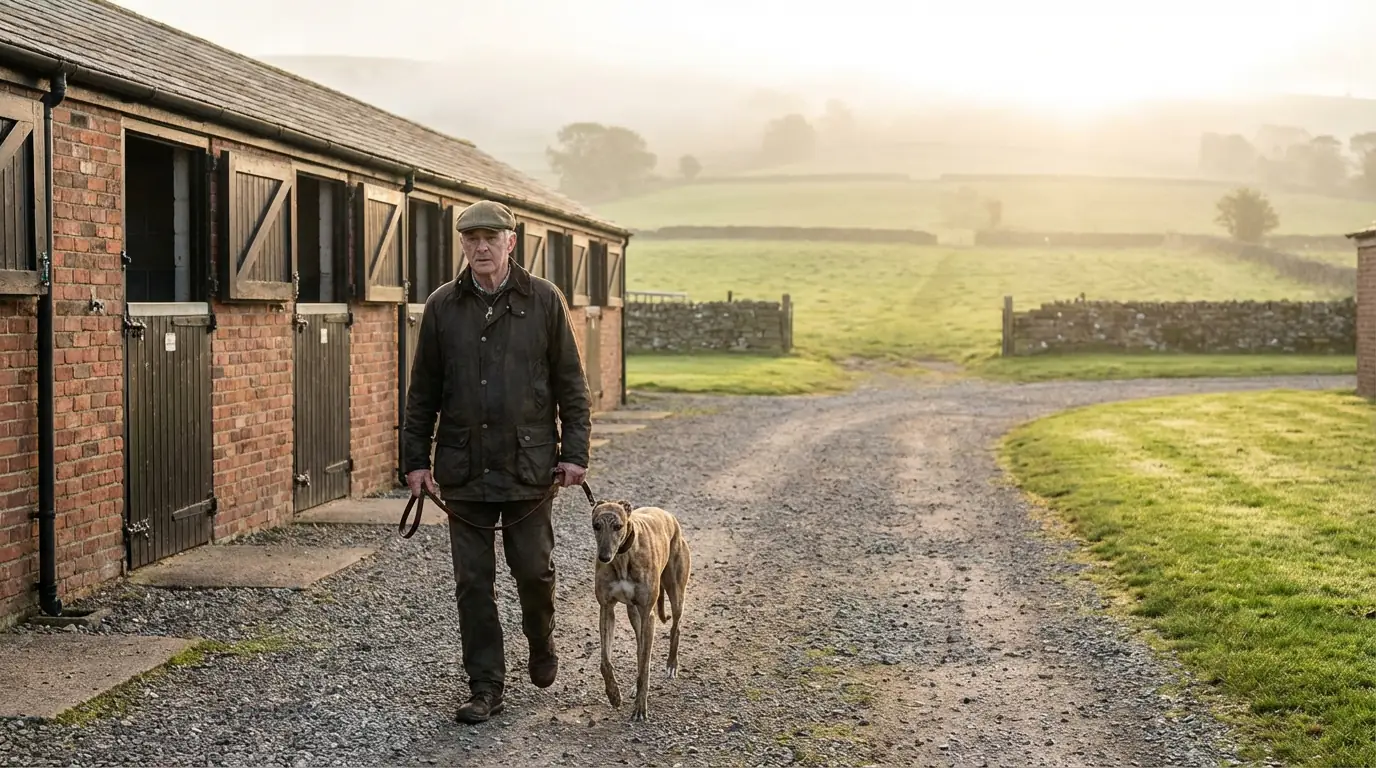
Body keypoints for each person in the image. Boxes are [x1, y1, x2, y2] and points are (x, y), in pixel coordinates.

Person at [402, 199, 592, 724]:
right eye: (471, 239)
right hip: (463, 470)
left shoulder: (545, 300)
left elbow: (571, 385)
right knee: (472, 583)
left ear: (512, 242)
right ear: (461, 245)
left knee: (533, 571)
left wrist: (574, 452)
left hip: (529, 467)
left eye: (491, 238)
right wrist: (415, 460)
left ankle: (542, 638)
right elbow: (423, 392)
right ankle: (485, 685)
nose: (481, 247)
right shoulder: (443, 306)